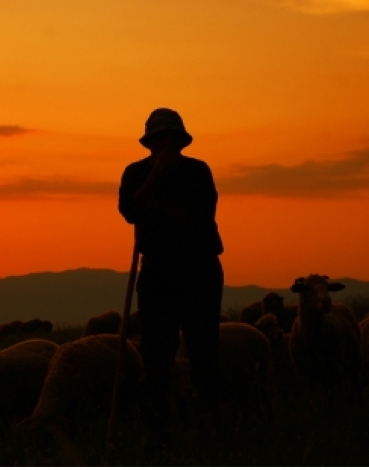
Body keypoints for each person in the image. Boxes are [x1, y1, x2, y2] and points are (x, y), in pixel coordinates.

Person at [118, 108, 224, 441]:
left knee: (203, 348)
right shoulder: (135, 172)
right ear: (150, 143)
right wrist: (156, 177)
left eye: (171, 138)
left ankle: (213, 426)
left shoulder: (198, 171)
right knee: (156, 354)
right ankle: (156, 432)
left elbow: (200, 214)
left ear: (180, 141)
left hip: (198, 268)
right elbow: (129, 211)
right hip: (158, 272)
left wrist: (156, 206)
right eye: (160, 139)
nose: (166, 144)